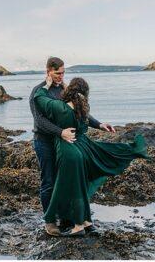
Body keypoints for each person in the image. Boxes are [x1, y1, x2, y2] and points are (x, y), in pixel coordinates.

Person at [33, 77, 148, 236]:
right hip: (81, 149)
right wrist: (100, 124)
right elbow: (88, 119)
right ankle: (87, 223)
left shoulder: (60, 108)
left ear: (69, 90)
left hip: (68, 152)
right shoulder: (82, 109)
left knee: (73, 189)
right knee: (81, 187)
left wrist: (46, 85)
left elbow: (38, 98)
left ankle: (78, 226)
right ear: (84, 94)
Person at [29, 57, 116, 236]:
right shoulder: (38, 91)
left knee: (66, 181)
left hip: (63, 142)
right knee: (49, 182)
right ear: (48, 71)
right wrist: (61, 132)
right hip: (45, 141)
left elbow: (78, 111)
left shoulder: (64, 90)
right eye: (57, 73)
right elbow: (40, 121)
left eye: (63, 72)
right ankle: (50, 222)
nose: (61, 76)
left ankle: (68, 218)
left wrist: (99, 124)